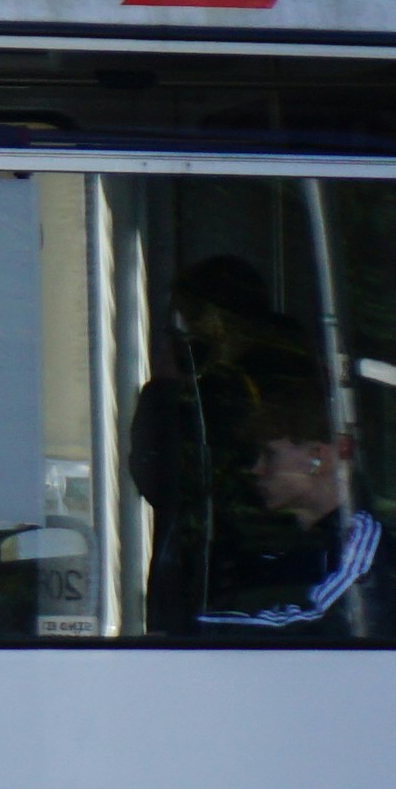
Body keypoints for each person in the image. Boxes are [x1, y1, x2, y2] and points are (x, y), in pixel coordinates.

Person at [129, 255, 292, 633]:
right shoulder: (296, 368)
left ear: (215, 318)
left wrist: (166, 389)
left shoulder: (222, 390)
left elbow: (164, 478)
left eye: (189, 317)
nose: (186, 331)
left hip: (221, 569)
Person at [198, 421, 396, 641]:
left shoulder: (360, 537)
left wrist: (186, 629)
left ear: (317, 458)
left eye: (269, 455)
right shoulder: (274, 542)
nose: (256, 469)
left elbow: (336, 624)